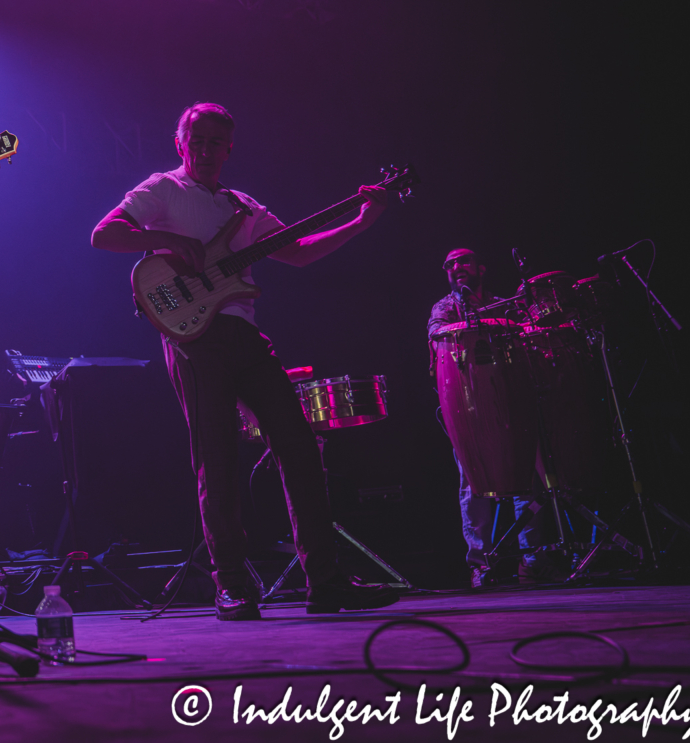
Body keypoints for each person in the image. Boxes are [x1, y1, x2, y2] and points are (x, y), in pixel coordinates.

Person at [90, 102, 400, 620]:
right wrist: (165, 238)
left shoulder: (244, 206)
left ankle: (325, 582)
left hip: (245, 333)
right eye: (199, 140)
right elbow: (106, 234)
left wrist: (362, 221)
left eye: (218, 142)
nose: (207, 150)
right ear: (180, 143)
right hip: (194, 338)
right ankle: (230, 584)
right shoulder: (161, 189)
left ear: (230, 149)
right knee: (218, 458)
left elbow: (298, 251)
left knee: (300, 447)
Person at [427, 248, 538, 587]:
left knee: (528, 475)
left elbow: (526, 331)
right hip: (470, 401)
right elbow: (436, 333)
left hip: (510, 395)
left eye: (463, 262)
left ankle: (533, 560)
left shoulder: (503, 304)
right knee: (472, 481)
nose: (457, 267)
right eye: (450, 264)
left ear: (481, 268)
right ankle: (481, 564)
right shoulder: (445, 307)